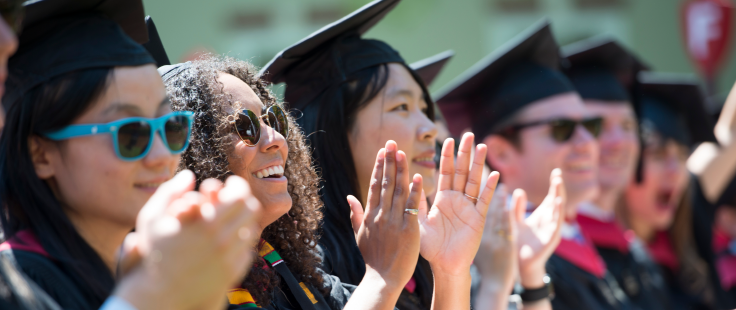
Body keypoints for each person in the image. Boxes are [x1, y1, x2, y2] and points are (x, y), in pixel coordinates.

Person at [162, 53, 503, 309]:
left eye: (274, 118)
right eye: (245, 125)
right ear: (194, 155)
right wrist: (381, 278)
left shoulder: (292, 273)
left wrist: (450, 271)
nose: (276, 138)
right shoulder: (184, 292)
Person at [0, 0, 262, 309]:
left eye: (172, 127)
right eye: (132, 135)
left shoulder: (141, 270)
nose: (163, 156)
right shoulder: (19, 290)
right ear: (41, 154)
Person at [259, 0, 520, 308]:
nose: (429, 129)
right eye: (401, 107)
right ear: (335, 129)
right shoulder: (301, 274)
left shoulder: (420, 254)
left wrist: (452, 273)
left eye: (424, 109)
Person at [435, 19, 630, 310]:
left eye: (591, 125)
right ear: (502, 152)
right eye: (562, 128)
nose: (588, 142)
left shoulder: (580, 241)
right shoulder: (492, 263)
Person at [561, 36, 671, 310]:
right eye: (599, 125)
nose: (620, 141)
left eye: (627, 125)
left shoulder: (638, 255)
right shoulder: (552, 254)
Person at [622, 72, 717, 310]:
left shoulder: (687, 259)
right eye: (658, 155)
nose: (676, 171)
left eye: (682, 155)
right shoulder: (602, 266)